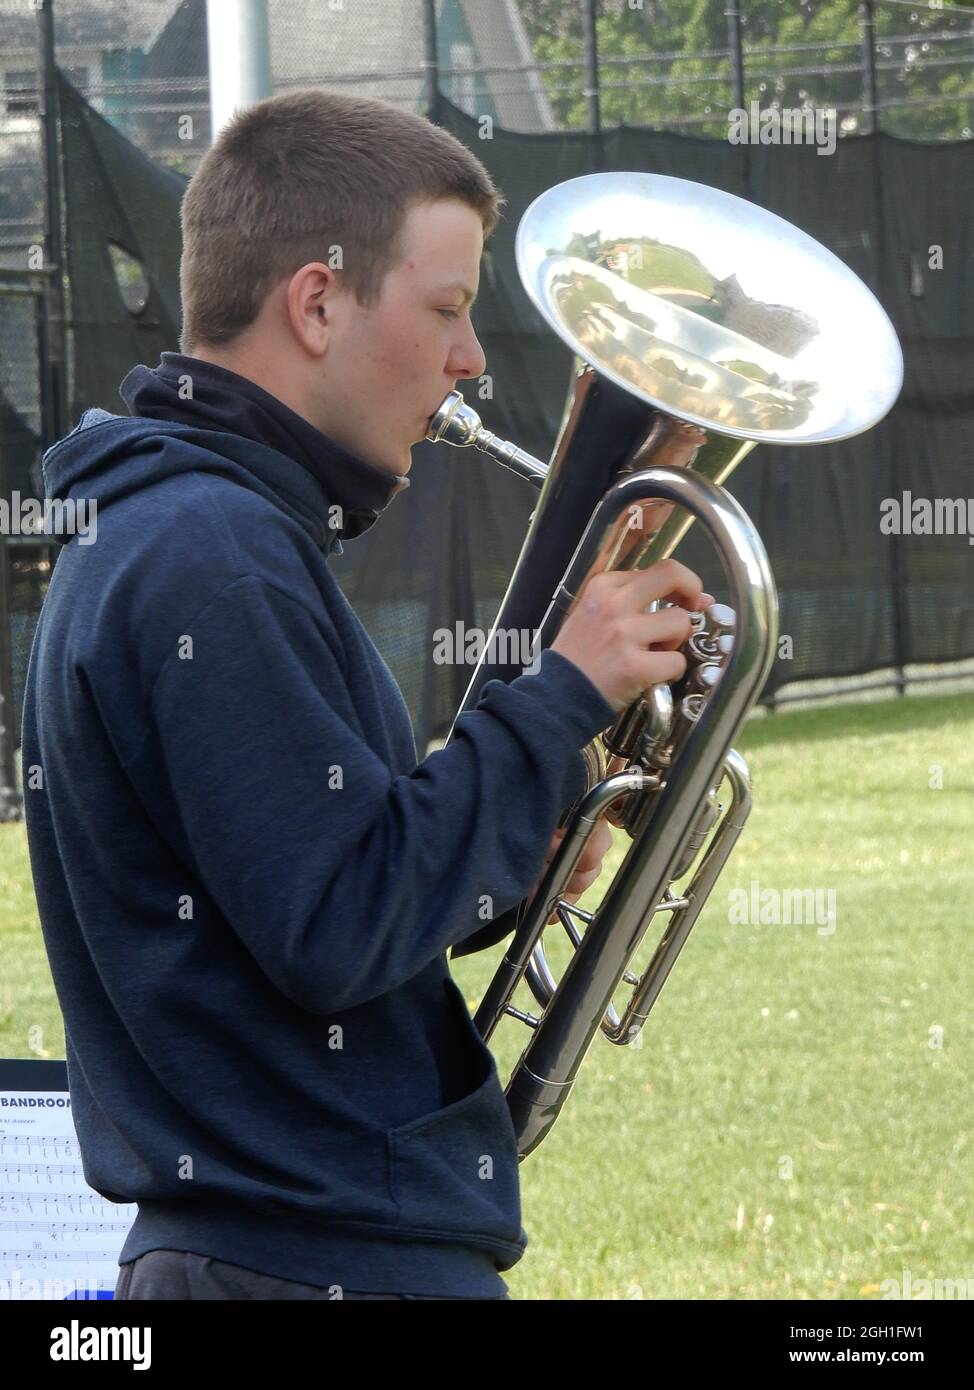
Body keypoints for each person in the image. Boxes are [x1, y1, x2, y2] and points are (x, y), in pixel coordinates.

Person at [21, 89, 710, 1301]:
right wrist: (554, 703)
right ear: (318, 300)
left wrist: (520, 825)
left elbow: (335, 888)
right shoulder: (208, 555)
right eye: (445, 307)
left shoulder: (195, 530)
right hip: (306, 1262)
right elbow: (338, 918)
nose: (471, 356)